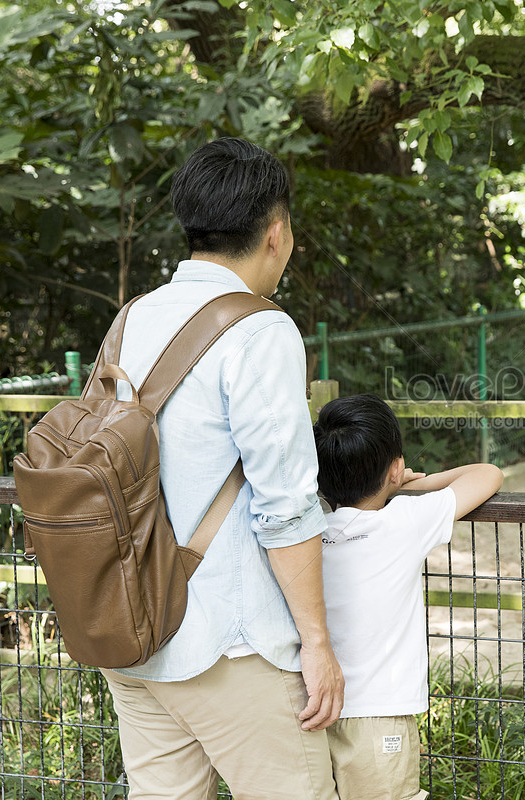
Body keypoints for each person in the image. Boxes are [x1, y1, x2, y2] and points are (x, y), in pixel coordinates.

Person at [99, 137, 343, 800]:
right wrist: (316, 645)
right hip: (228, 648)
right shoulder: (261, 331)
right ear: (277, 232)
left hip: (136, 635)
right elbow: (286, 505)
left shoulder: (133, 319)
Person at [313, 393, 503, 800]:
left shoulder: (307, 532)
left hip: (314, 706)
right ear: (395, 469)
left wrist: (393, 481)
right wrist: (410, 485)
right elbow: (487, 473)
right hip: (379, 715)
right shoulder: (403, 521)